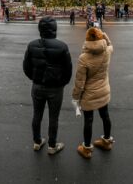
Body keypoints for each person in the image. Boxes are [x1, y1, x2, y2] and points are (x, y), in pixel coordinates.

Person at [23, 16, 73, 155]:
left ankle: (37, 142)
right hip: (55, 88)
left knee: (37, 115)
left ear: (40, 29)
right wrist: (62, 83)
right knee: (53, 117)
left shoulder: (32, 45)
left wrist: (34, 78)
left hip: (37, 86)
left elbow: (26, 67)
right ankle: (52, 145)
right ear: (54, 29)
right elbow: (68, 70)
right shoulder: (62, 46)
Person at [72, 27, 114, 159]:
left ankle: (87, 149)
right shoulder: (107, 51)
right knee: (105, 115)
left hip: (89, 94)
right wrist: (105, 36)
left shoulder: (84, 58)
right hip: (104, 90)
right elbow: (110, 44)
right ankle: (107, 141)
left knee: (88, 120)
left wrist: (75, 98)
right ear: (101, 38)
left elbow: (80, 83)